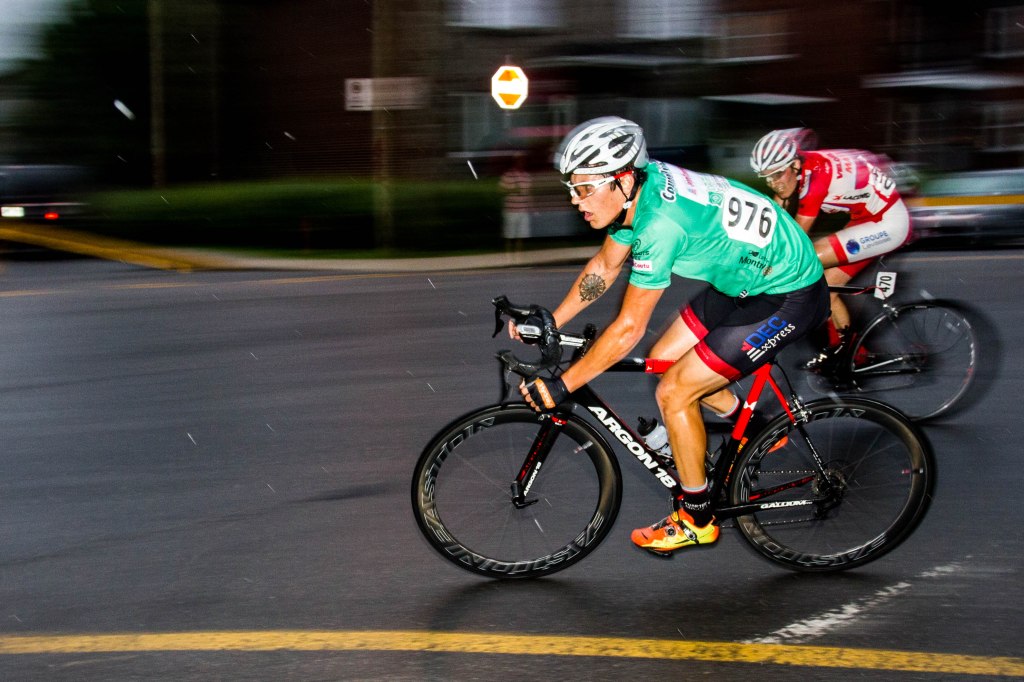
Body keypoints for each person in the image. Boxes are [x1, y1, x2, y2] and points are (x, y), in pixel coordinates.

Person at [516, 117, 829, 555]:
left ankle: (697, 517)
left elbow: (626, 330)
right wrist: (554, 319)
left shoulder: (660, 225)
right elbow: (605, 268)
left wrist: (564, 384)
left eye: (583, 188)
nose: (574, 199)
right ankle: (756, 427)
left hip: (787, 292)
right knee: (663, 357)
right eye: (571, 186)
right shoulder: (637, 192)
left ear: (622, 181)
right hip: (742, 278)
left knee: (674, 392)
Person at [750, 128, 912, 370]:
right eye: (766, 177)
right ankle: (850, 352)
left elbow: (795, 239)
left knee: (809, 259)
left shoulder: (816, 179)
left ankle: (846, 350)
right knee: (825, 286)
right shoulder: (800, 166)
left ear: (794, 164)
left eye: (777, 175)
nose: (774, 182)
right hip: (866, 217)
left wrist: (761, 267)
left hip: (888, 223)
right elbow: (777, 210)